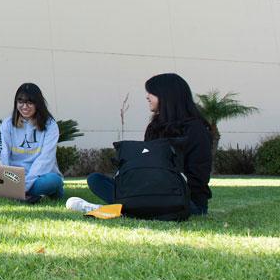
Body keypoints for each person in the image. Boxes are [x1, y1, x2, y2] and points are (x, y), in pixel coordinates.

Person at [86, 73, 212, 215]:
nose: (147, 97)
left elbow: (198, 176)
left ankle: (127, 208)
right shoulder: (154, 127)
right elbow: (147, 163)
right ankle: (137, 206)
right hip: (152, 190)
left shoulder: (196, 129)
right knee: (95, 179)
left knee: (155, 201)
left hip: (185, 199)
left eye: (151, 93)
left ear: (166, 96)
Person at [0, 82, 64, 201]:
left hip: (39, 178)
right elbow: (1, 152)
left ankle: (8, 193)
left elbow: (46, 159)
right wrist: (0, 177)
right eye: (20, 101)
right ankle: (27, 195)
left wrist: (24, 185)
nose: (24, 106)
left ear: (38, 104)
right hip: (12, 178)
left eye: (30, 102)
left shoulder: (50, 125)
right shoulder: (8, 123)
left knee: (53, 181)